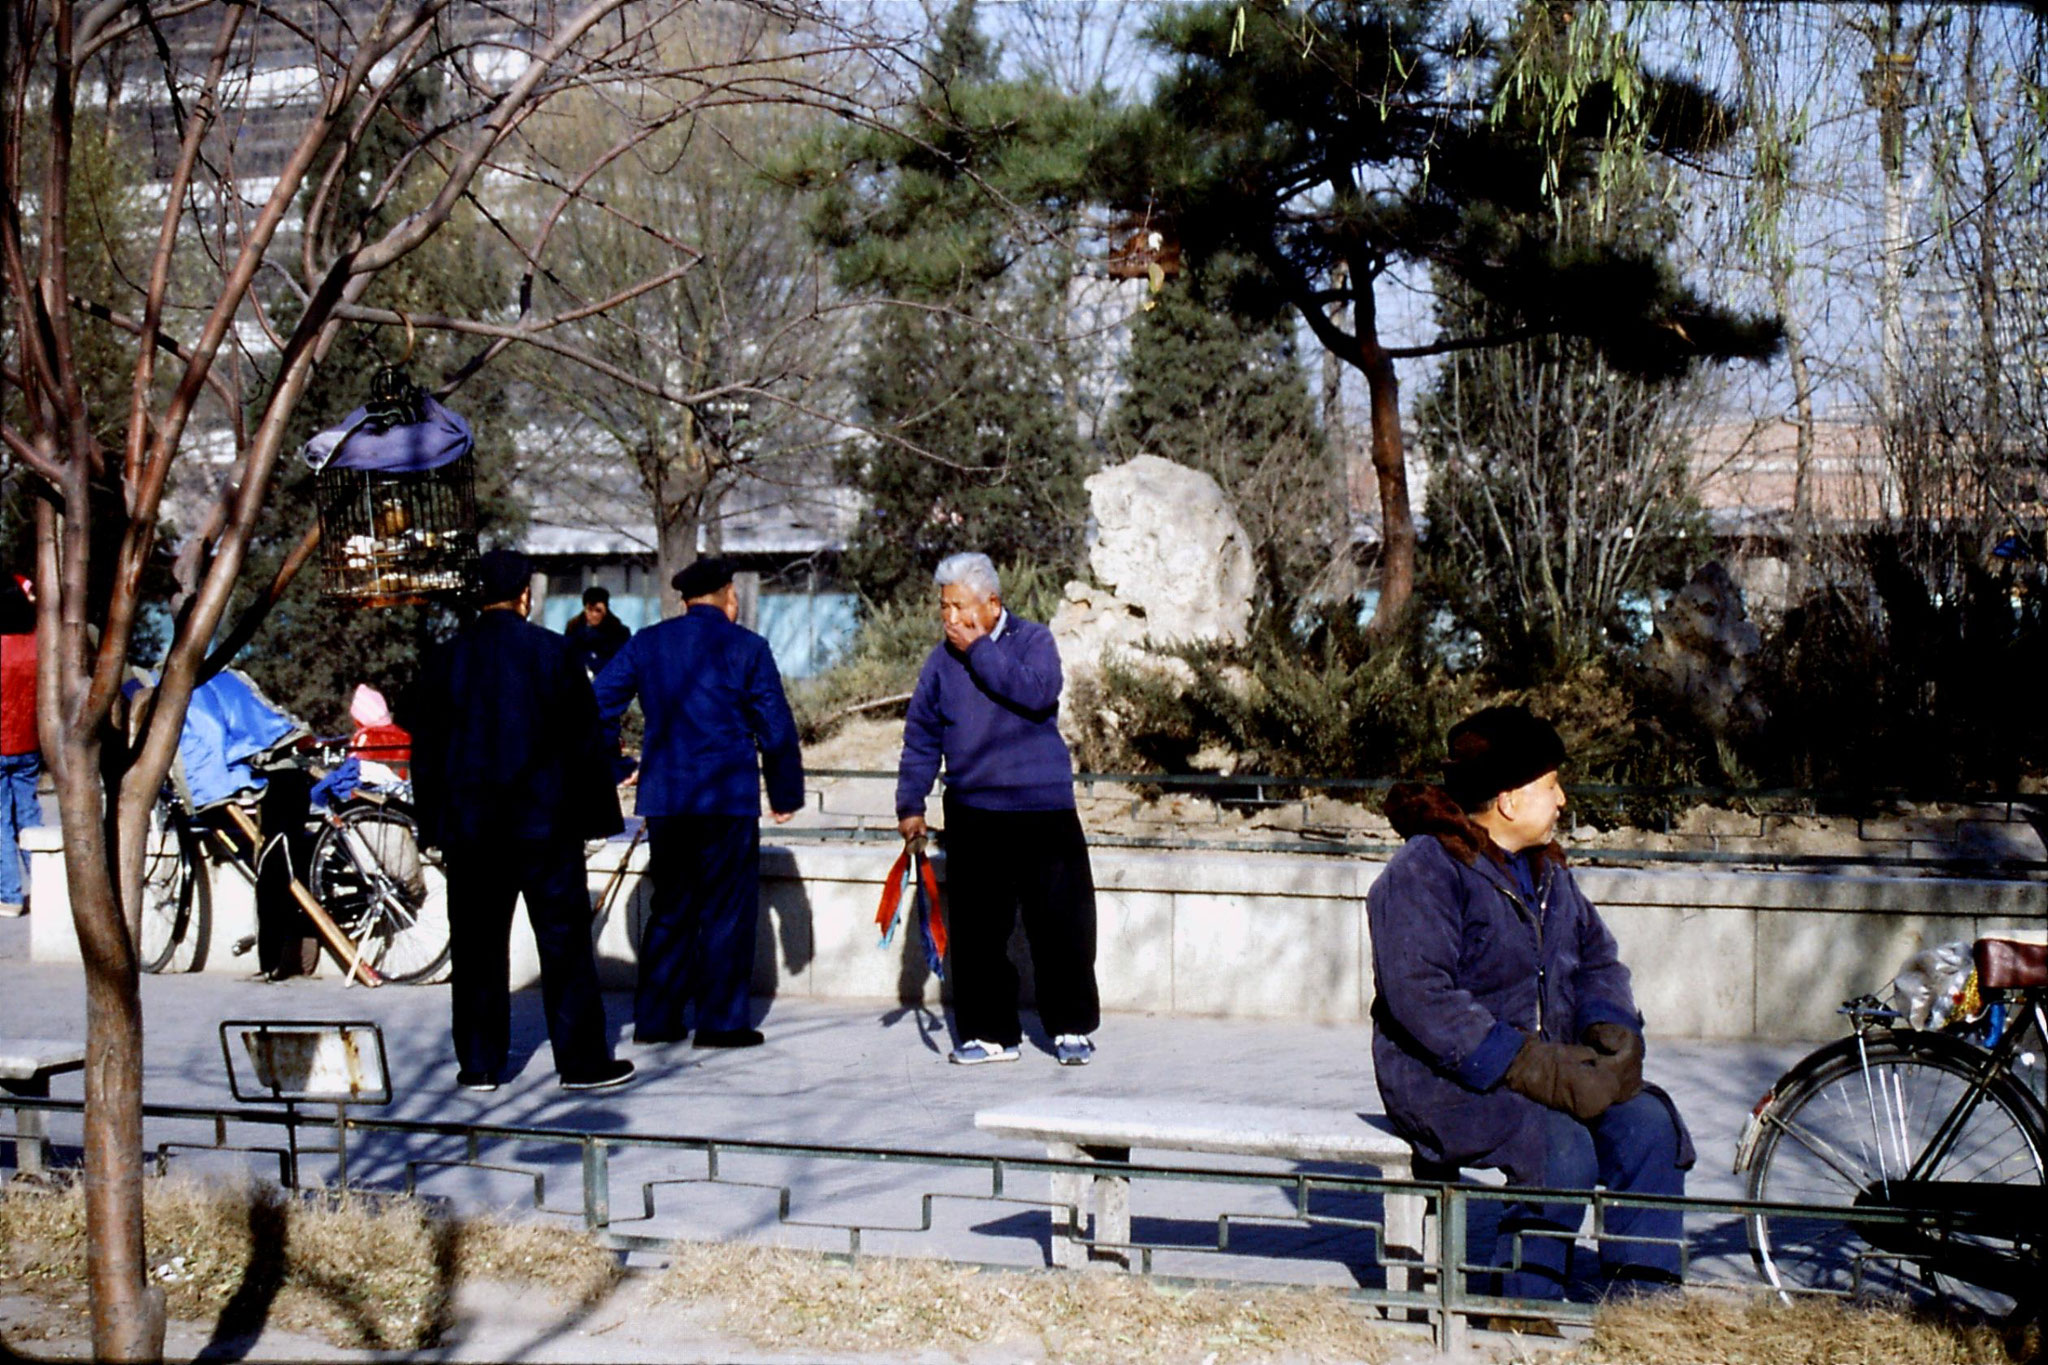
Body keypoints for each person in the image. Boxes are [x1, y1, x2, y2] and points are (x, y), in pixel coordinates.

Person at [1367, 705, 1693, 1304]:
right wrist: (1525, 1063)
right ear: (1509, 799)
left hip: (1549, 1066)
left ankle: (1647, 1302)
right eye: (1551, 785)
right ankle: (1522, 1302)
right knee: (1559, 1146)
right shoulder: (1425, 870)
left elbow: (1598, 959)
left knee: (1649, 1126)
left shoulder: (1548, 871)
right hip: (1443, 1079)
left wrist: (1611, 1030)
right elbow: (1422, 998)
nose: (1563, 799)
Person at [399, 549, 632, 1093]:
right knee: (565, 944)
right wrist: (599, 818)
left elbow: (425, 752)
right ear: (524, 595)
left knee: (477, 945)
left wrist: (433, 825)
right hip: (545, 827)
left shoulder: (444, 660)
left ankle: (479, 1063)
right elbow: (584, 742)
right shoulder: (554, 653)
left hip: (473, 832)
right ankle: (581, 1063)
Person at [895, 552, 1100, 1067]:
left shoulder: (1033, 642)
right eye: (944, 608)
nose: (951, 619)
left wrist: (981, 650)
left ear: (992, 604)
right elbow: (921, 736)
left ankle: (1071, 1027)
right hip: (974, 811)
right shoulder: (940, 662)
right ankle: (989, 1034)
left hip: (1042, 809)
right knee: (978, 931)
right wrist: (910, 802)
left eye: (960, 607)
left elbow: (1037, 693)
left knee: (1062, 924)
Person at [594, 556, 803, 1049]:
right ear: (728, 596)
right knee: (727, 909)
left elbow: (598, 704)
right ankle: (721, 1022)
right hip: (727, 798)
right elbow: (775, 727)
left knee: (670, 907)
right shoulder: (748, 647)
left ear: (685, 600)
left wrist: (615, 767)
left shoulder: (647, 643)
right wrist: (785, 793)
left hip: (668, 799)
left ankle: (657, 1019)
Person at [1, 574, 39, 917]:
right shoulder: (36, 644)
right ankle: (44, 887)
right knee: (28, 814)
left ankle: (10, 896)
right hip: (28, 742)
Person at [565, 585, 632, 677]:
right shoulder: (573, 629)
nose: (594, 615)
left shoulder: (619, 632)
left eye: (598, 610)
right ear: (585, 609)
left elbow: (624, 664)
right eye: (590, 610)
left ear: (605, 610)